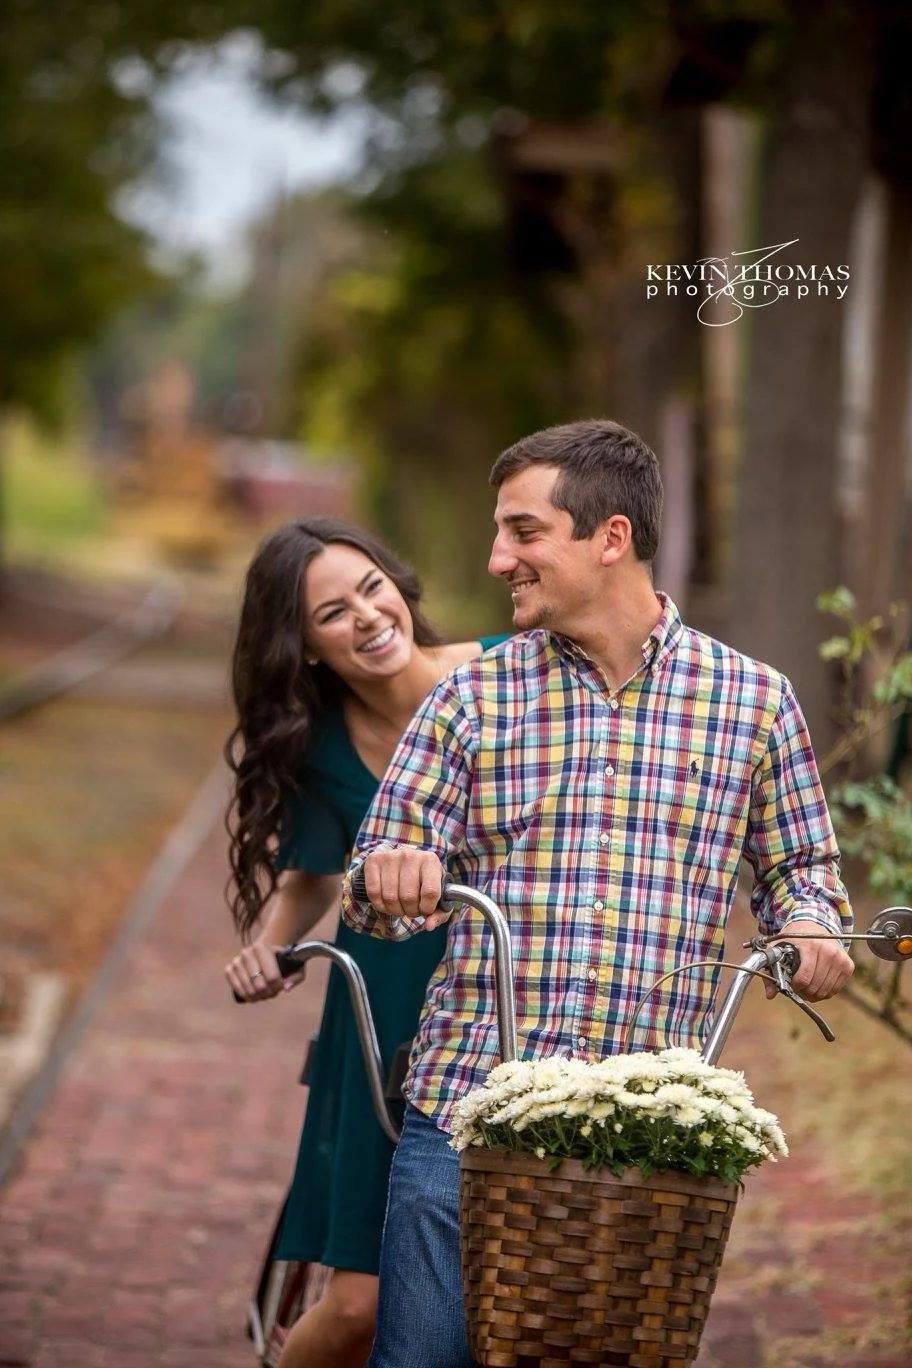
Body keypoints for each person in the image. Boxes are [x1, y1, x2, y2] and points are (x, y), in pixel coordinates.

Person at [341, 419, 855, 1368]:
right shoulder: (471, 698)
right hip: (465, 1118)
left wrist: (813, 928)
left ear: (609, 538)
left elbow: (800, 872)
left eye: (524, 532)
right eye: (501, 534)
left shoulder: (753, 702)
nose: (500, 558)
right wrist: (393, 873)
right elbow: (371, 887)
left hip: (643, 1136)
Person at [223, 516, 509, 1368]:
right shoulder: (321, 747)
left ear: (399, 586)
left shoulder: (507, 675)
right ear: (305, 647)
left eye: (371, 588)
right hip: (378, 1021)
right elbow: (316, 872)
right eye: (331, 613)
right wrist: (269, 946)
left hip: (505, 1006)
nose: (367, 617)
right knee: (360, 1305)